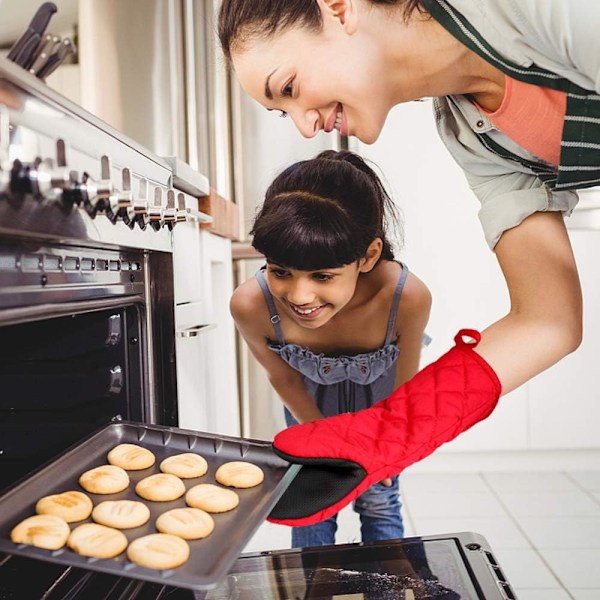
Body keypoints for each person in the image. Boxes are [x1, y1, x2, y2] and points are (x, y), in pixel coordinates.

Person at [217, 0, 598, 526]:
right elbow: (548, 321)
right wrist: (383, 434)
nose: (306, 128)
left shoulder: (528, 10)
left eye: (288, 88)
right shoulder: (475, 135)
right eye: (283, 112)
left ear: (338, 8)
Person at [230, 149, 431, 546]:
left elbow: (406, 392)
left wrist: (388, 449)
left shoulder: (405, 298)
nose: (300, 295)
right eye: (280, 271)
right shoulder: (251, 305)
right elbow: (282, 377)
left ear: (368, 256)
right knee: (310, 508)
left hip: (381, 421)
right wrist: (321, 438)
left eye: (323, 275)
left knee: (379, 500)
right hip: (309, 414)